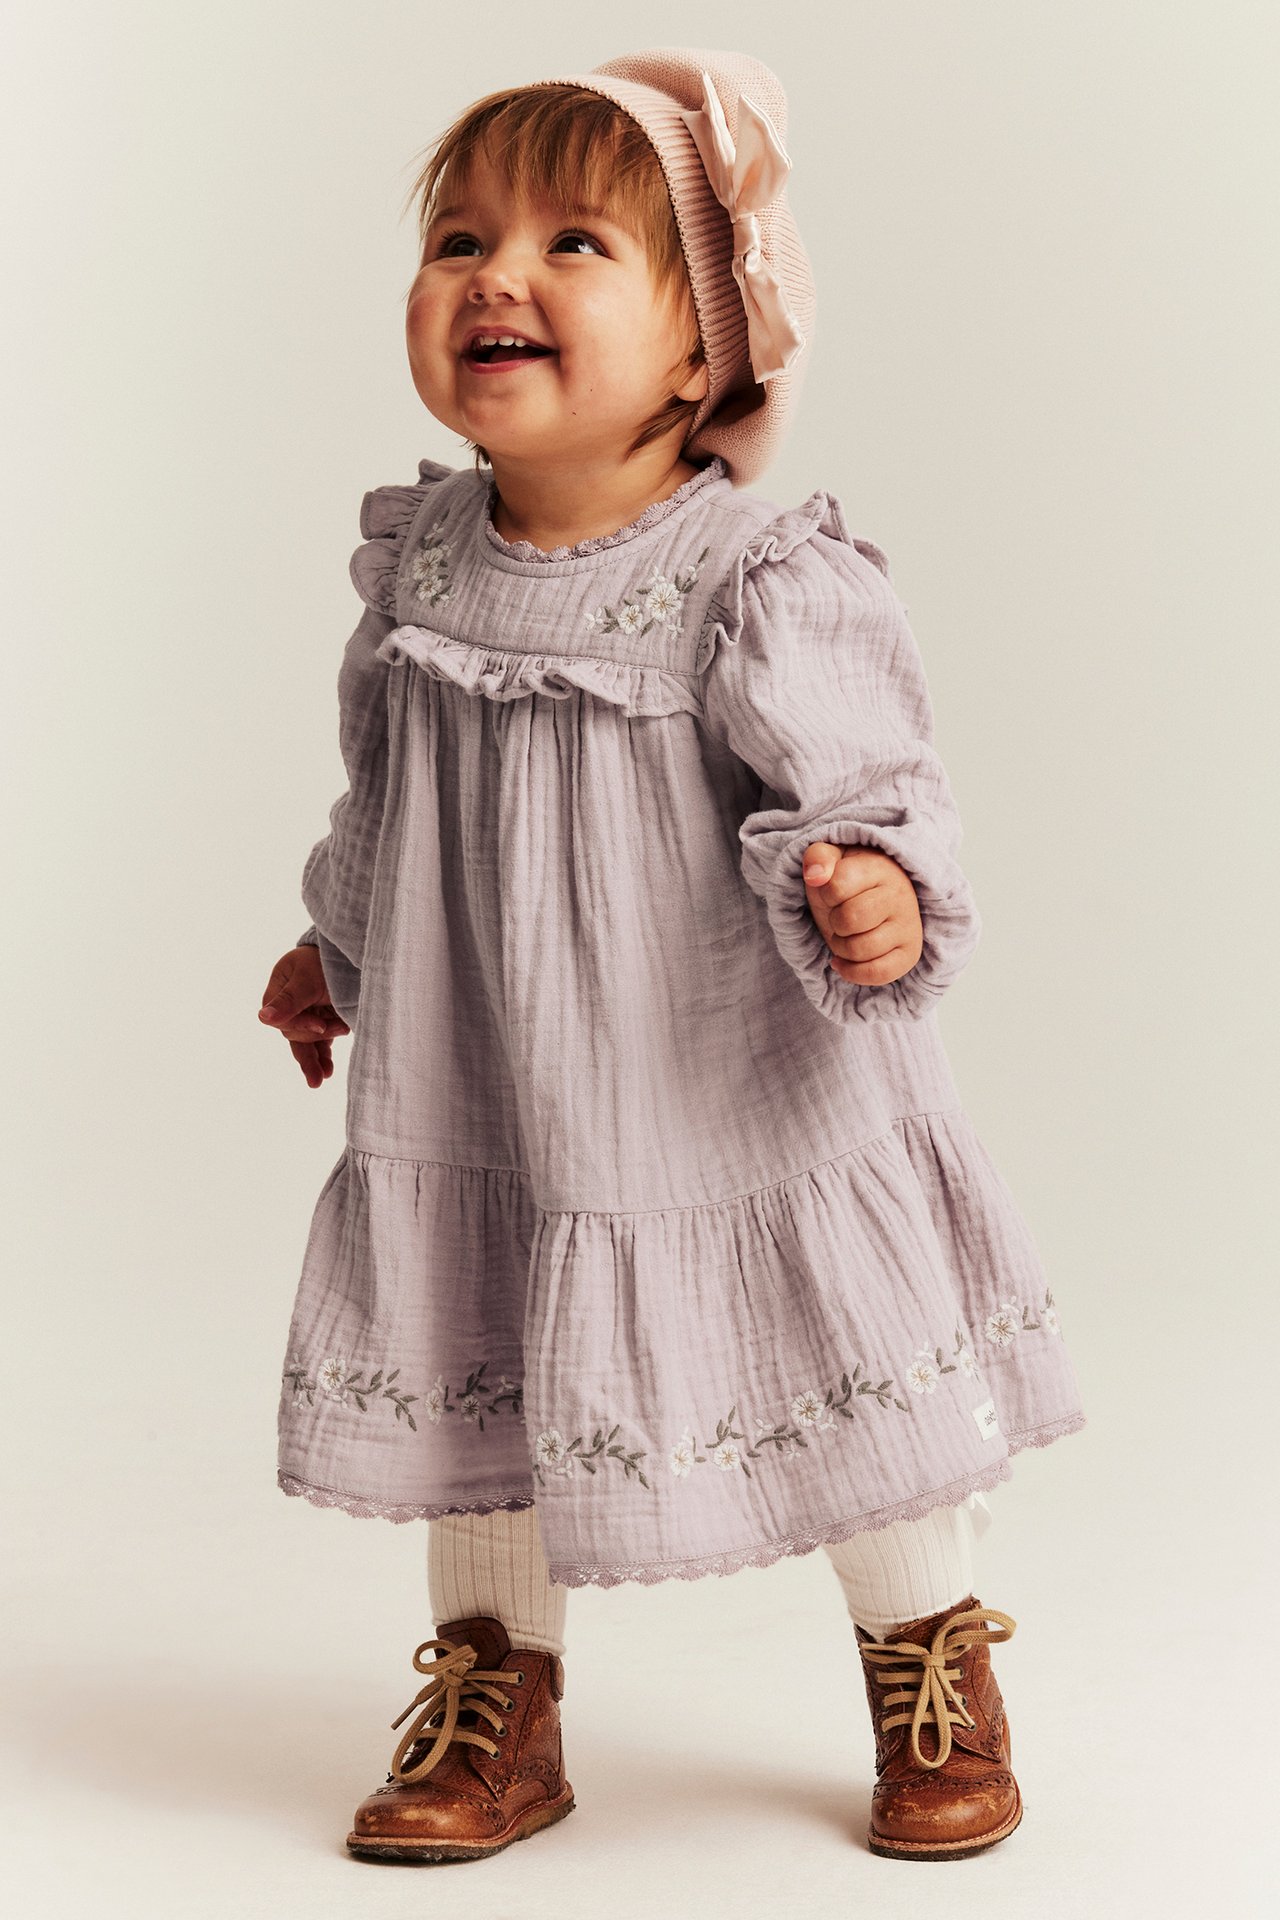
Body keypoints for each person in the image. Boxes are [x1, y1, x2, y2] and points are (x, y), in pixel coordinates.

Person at [257, 48, 1086, 1866]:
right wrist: (338, 942)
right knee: (485, 1344)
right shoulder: (423, 576)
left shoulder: (752, 574)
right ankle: (498, 1689)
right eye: (462, 239)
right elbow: (387, 797)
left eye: (576, 245)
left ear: (706, 346)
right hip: (487, 1070)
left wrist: (871, 877)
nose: (499, 277)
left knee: (829, 1349)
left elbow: (872, 776)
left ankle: (926, 1650)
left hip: (726, 1082)